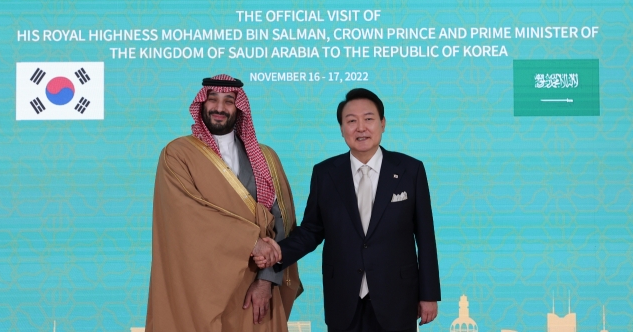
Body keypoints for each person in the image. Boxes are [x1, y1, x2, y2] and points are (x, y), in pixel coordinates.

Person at [255, 88, 440, 332]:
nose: (361, 128)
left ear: (383, 123)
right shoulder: (325, 173)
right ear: (342, 129)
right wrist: (279, 253)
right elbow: (312, 229)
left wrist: (429, 295)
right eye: (351, 121)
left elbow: (425, 238)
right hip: (343, 297)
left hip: (397, 298)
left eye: (369, 119)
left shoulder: (410, 170)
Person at [145, 74, 302, 332]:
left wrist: (266, 281)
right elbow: (186, 216)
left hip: (254, 285)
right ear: (201, 104)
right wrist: (251, 241)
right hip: (197, 287)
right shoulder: (177, 154)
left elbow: (282, 223)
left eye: (228, 101)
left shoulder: (266, 157)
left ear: (239, 108)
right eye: (213, 99)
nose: (219, 108)